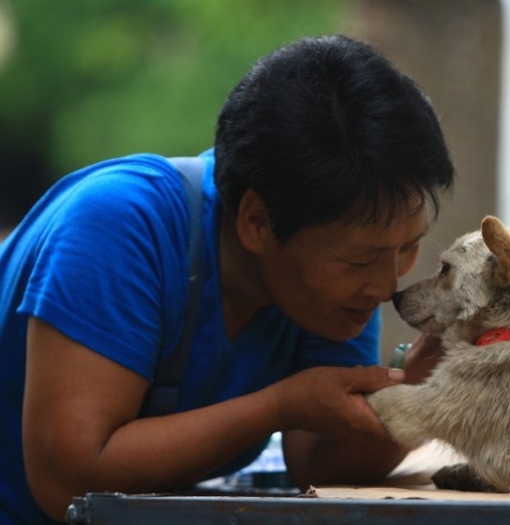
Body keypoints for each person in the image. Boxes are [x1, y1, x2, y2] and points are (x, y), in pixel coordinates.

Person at [0, 34, 454, 524]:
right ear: (257, 222)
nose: (387, 286)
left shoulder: (330, 287)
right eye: (360, 260)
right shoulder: (120, 225)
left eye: (407, 247)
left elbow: (320, 464)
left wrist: (423, 390)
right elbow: (66, 484)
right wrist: (278, 407)